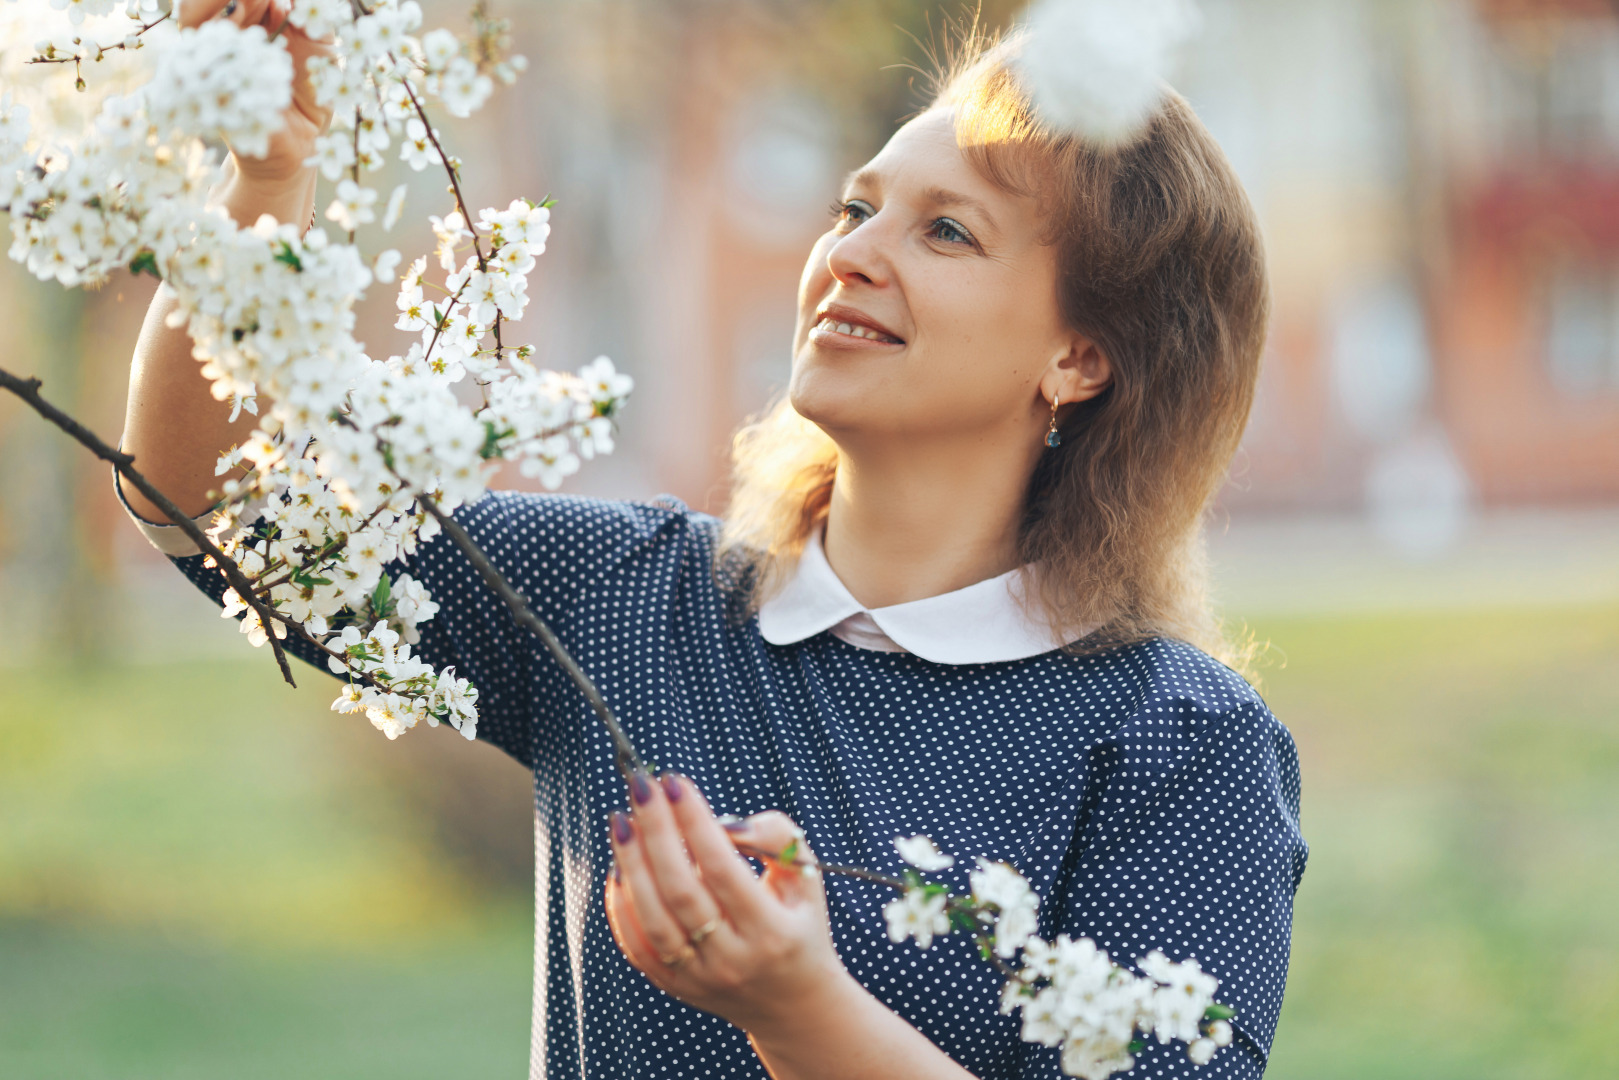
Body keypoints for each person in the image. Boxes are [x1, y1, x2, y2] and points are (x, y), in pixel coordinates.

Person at [120, 3, 1308, 1077]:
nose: (849, 252)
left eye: (945, 232)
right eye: (855, 207)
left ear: (1079, 359)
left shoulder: (1179, 747)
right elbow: (221, 520)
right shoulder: (615, 594)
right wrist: (269, 182)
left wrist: (798, 1013)